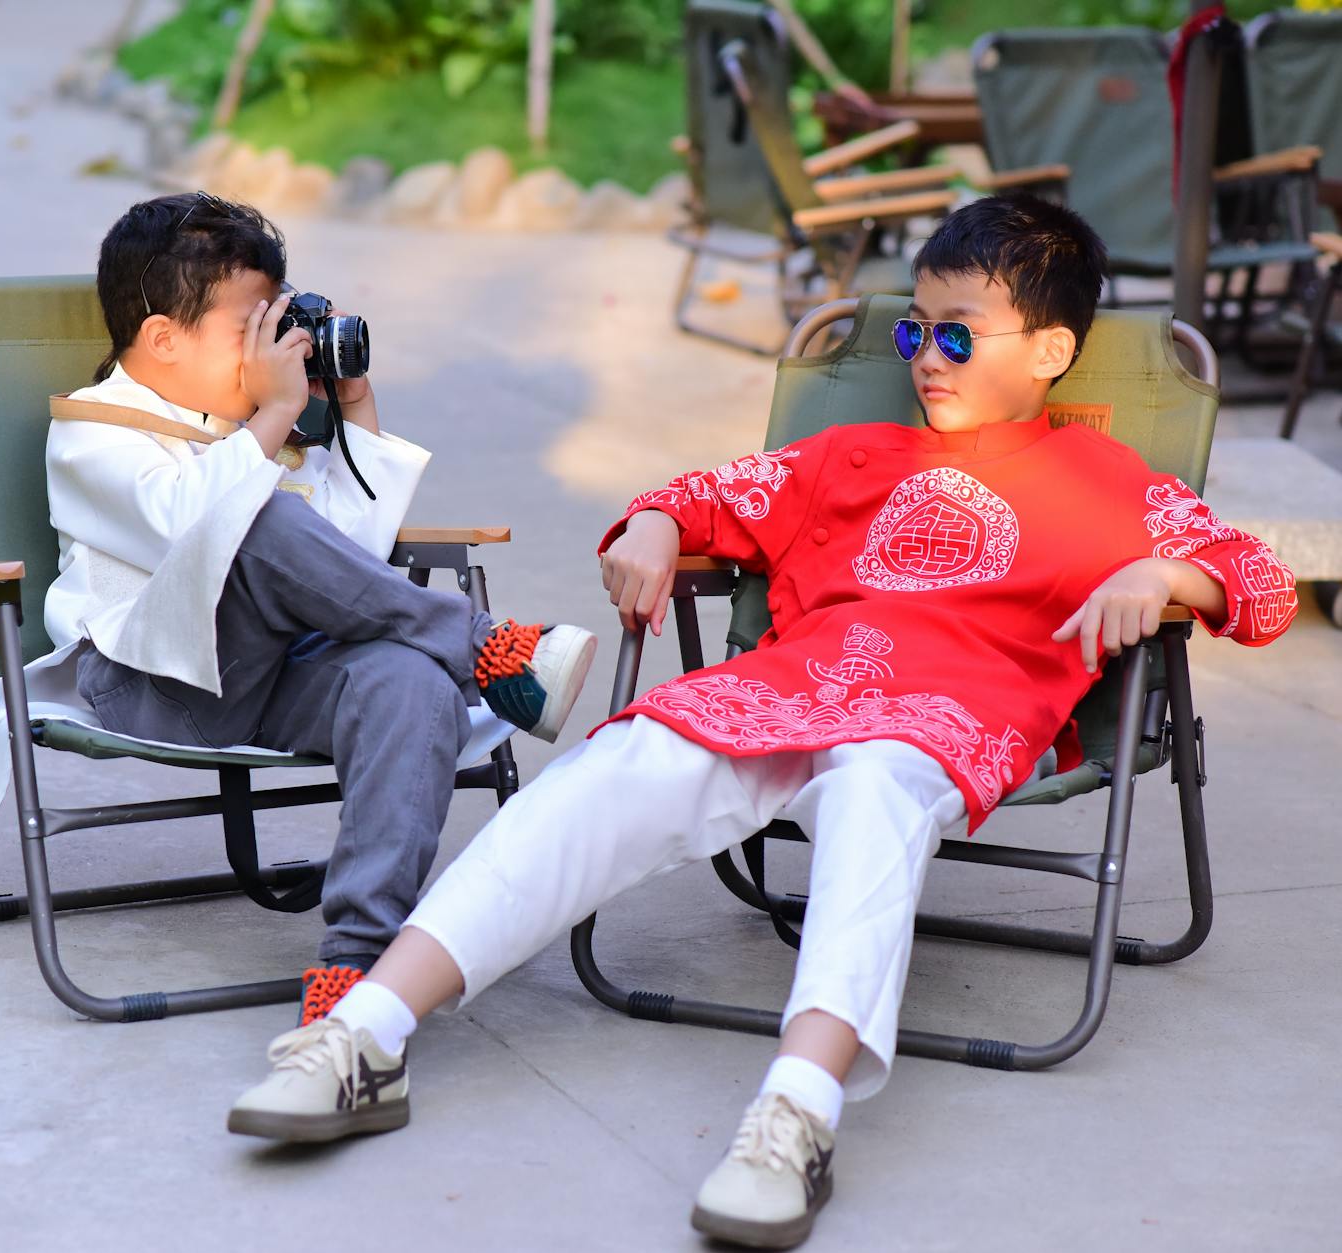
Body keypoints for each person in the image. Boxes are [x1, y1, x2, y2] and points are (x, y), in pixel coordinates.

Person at [226, 195, 1298, 1249]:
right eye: (914, 329)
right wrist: (650, 520)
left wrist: (1169, 573)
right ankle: (364, 1033)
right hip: (778, 693)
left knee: (877, 790)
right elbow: (702, 492)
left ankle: (795, 1115)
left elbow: (1257, 582)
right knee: (616, 763)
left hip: (940, 716)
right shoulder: (848, 457)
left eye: (957, 334)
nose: (925, 355)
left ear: (1051, 349)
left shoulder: (1108, 482)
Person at [50, 191, 595, 1022]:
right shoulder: (91, 431)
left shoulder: (255, 426)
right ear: (164, 338)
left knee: (407, 677)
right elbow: (190, 522)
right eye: (252, 332)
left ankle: (356, 974)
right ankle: (487, 650)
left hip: (273, 677)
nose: (277, 352)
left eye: (282, 326)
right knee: (255, 510)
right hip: (154, 684)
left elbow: (348, 565)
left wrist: (348, 402)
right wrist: (270, 415)